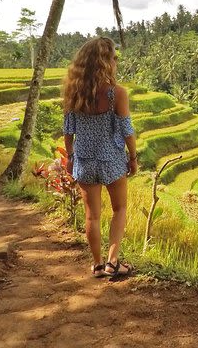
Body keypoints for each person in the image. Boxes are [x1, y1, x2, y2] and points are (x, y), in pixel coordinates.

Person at [62, 37, 138, 279]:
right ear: (106, 63)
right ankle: (113, 262)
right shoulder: (117, 94)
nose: (116, 62)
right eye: (114, 57)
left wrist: (71, 157)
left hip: (84, 160)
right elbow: (127, 130)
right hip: (112, 160)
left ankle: (96, 265)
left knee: (91, 216)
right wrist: (133, 157)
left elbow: (68, 130)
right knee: (120, 208)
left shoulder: (73, 93)